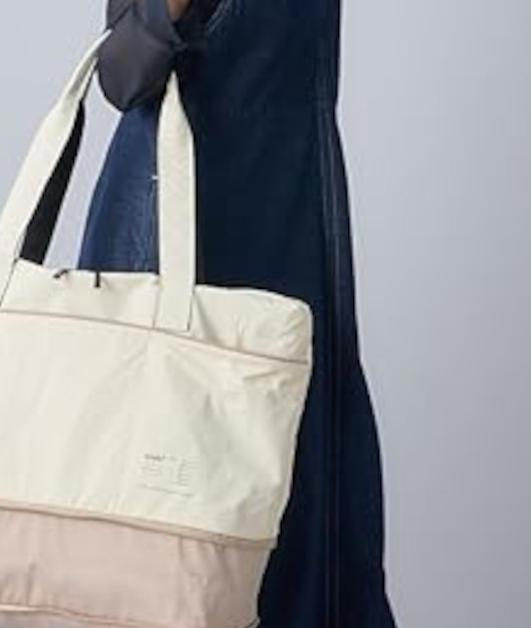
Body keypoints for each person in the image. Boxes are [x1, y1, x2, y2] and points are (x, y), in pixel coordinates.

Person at [78, 2, 399, 626]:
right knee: (157, 509)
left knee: (302, 502)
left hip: (293, 223)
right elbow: (123, 73)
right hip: (174, 227)